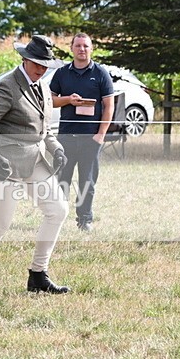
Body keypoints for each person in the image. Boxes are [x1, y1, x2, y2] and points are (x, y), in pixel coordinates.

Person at [0, 35, 70, 296]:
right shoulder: (7, 86)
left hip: (35, 159)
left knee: (58, 210)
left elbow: (44, 129)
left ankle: (38, 275)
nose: (41, 69)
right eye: (37, 64)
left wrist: (56, 148)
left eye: (45, 65)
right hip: (5, 164)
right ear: (24, 59)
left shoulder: (43, 87)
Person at [50, 33, 115, 232]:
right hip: (66, 137)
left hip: (90, 138)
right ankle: (57, 218)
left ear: (91, 49)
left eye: (86, 46)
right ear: (72, 48)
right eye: (78, 45)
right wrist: (68, 100)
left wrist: (100, 135)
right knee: (61, 180)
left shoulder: (101, 73)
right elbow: (50, 101)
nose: (82, 49)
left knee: (87, 182)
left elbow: (109, 106)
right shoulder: (61, 74)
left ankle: (84, 220)